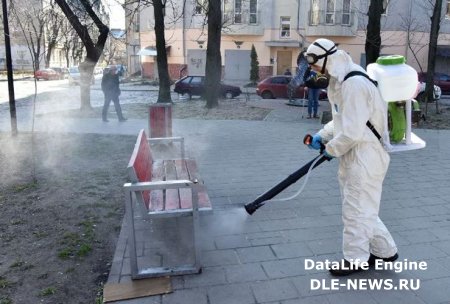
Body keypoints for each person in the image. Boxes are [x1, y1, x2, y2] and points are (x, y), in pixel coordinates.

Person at [304, 38, 398, 276]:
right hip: (357, 152)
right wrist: (322, 135)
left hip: (365, 155)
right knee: (363, 206)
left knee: (356, 209)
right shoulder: (341, 80)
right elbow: (343, 121)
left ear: (328, 59)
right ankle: (385, 251)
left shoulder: (353, 83)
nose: (313, 70)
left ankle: (355, 259)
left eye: (314, 64)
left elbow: (352, 132)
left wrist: (331, 149)